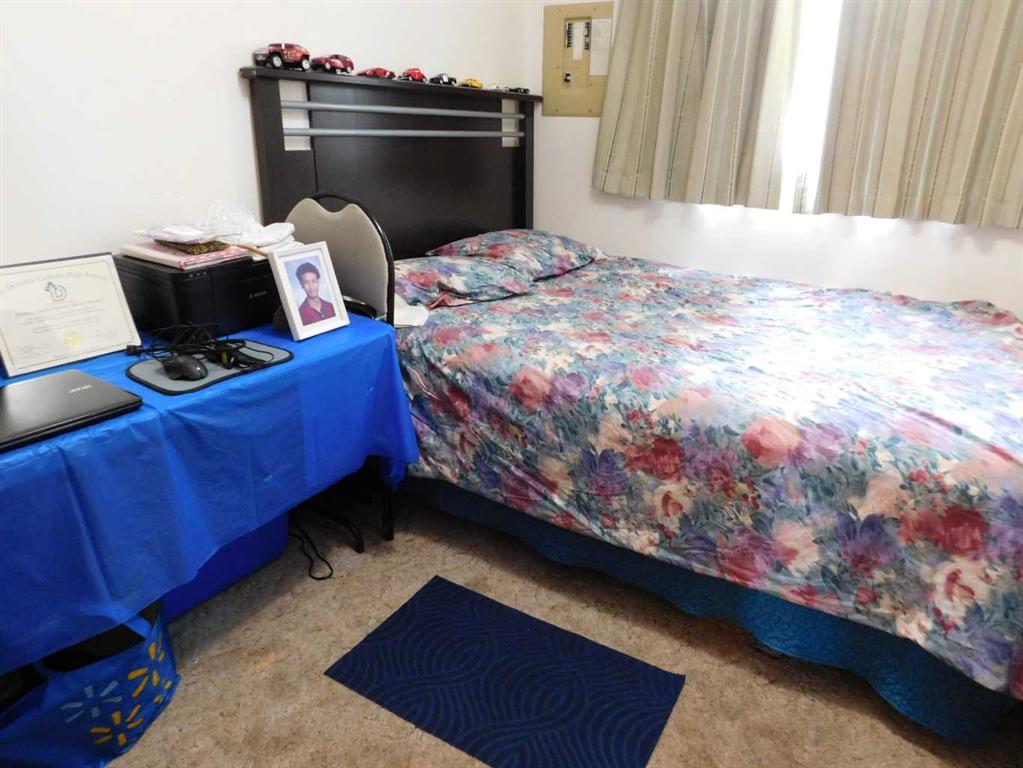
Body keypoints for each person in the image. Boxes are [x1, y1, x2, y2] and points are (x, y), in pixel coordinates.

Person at [295, 261, 336, 325]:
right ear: (301, 285)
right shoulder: (300, 315)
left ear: (318, 282)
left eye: (313, 281)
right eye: (306, 282)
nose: (311, 287)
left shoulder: (332, 307)